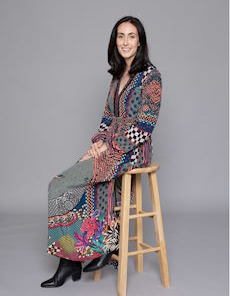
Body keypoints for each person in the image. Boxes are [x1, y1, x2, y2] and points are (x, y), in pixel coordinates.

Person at [41, 15, 162, 288]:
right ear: (114, 41)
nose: (126, 42)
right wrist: (96, 143)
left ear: (140, 41)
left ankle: (105, 245)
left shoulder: (151, 77)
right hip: (110, 148)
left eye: (131, 36)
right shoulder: (117, 76)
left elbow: (145, 126)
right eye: (121, 36)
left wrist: (110, 146)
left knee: (68, 184)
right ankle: (72, 259)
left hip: (133, 151)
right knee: (63, 183)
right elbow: (106, 118)